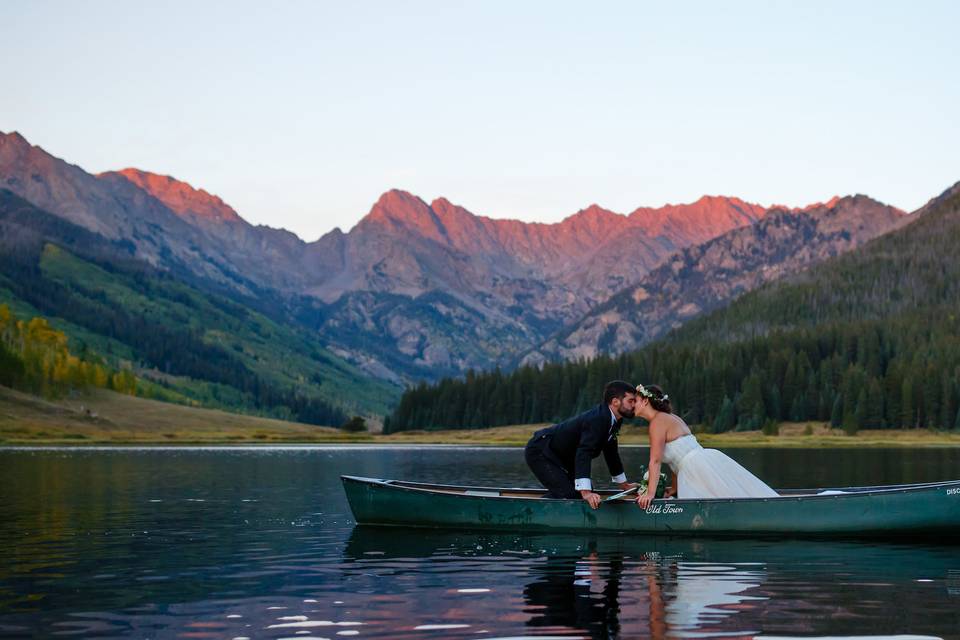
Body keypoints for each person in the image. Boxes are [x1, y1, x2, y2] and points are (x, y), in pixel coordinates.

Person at [634, 383, 778, 509]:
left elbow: (655, 461)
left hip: (696, 467)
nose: (633, 404)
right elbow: (676, 460)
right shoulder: (671, 417)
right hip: (702, 461)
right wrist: (674, 488)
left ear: (645, 401)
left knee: (724, 497)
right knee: (729, 494)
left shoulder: (657, 422)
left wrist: (650, 494)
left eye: (636, 400)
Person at [525, 380, 637, 509]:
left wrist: (624, 485)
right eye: (630, 401)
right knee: (569, 495)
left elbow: (611, 454)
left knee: (581, 495)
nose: (634, 405)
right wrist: (586, 492)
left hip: (563, 456)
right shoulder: (598, 419)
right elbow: (584, 452)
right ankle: (529, 512)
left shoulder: (615, 420)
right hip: (540, 450)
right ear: (615, 401)